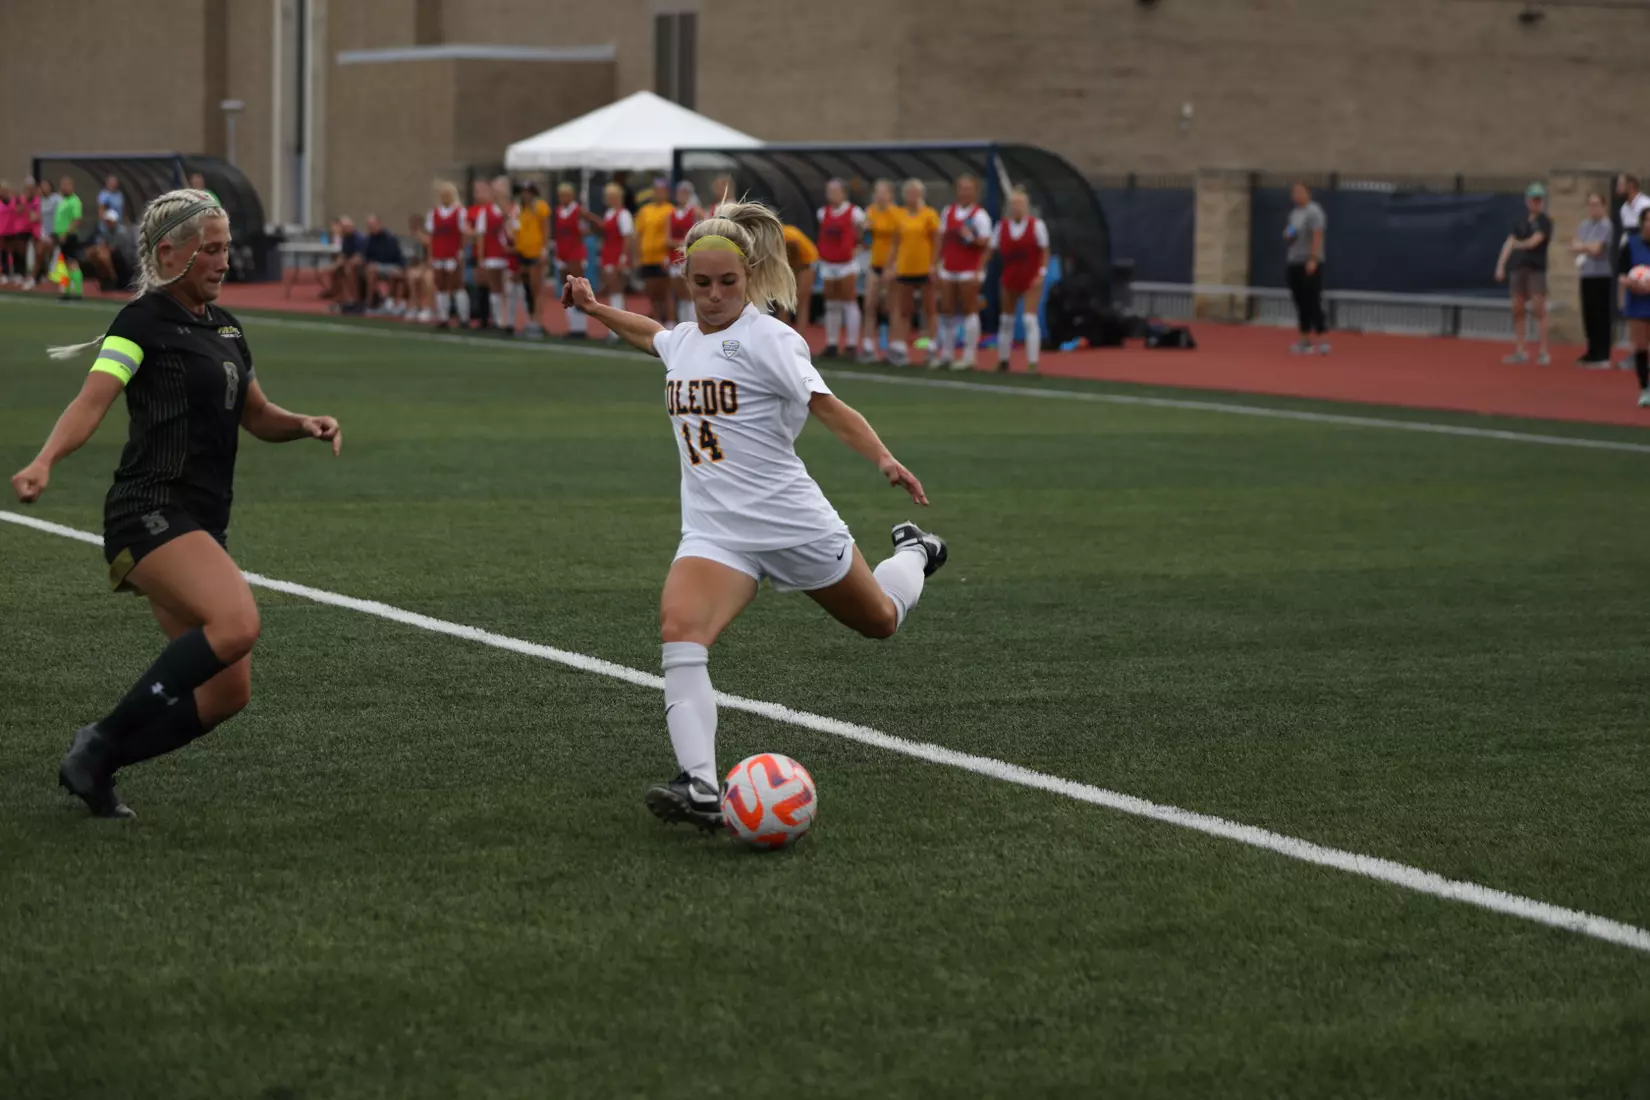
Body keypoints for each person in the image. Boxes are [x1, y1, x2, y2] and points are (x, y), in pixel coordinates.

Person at [557, 199, 948, 830]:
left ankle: (915, 552)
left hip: (792, 523)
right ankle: (701, 786)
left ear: (750, 277)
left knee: (880, 620)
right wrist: (595, 307)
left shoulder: (770, 339)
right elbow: (650, 334)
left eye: (727, 282)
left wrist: (883, 458)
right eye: (701, 283)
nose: (714, 295)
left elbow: (827, 405)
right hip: (716, 534)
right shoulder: (684, 342)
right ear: (686, 280)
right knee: (680, 629)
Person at [8, 188, 342, 819]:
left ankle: (99, 764)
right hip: (148, 510)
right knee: (238, 623)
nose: (224, 261)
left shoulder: (228, 327)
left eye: (226, 248)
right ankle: (99, 740)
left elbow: (256, 414)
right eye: (210, 250)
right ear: (169, 253)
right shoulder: (140, 322)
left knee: (227, 693)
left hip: (202, 525)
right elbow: (91, 401)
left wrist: (303, 424)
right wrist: (44, 460)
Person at [934, 174, 993, 371]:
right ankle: (947, 354)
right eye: (962, 188)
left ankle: (969, 356)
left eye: (969, 189)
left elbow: (986, 244)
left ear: (975, 192)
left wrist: (971, 239)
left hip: (969, 268)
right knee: (946, 309)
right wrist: (935, 263)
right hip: (949, 267)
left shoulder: (979, 215)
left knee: (969, 309)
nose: (965, 192)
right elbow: (941, 239)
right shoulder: (948, 212)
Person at [885, 179, 942, 367]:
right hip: (904, 267)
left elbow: (936, 241)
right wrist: (889, 265)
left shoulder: (929, 215)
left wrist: (933, 264)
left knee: (930, 308)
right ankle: (901, 348)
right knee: (904, 309)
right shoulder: (899, 215)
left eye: (915, 193)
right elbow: (895, 243)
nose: (912, 196)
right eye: (909, 193)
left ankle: (932, 347)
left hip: (924, 267)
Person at [1496, 182, 1554, 366]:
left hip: (1536, 270)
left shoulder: (1545, 222)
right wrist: (1500, 265)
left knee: (1539, 309)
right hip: (1517, 268)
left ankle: (1543, 351)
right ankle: (1520, 350)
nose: (1537, 203)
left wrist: (1517, 245)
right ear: (1527, 201)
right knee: (1517, 309)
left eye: (1539, 200)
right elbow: (1509, 242)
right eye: (1533, 199)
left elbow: (1534, 241)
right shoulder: (1519, 221)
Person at [995, 186, 1051, 374]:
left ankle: (1033, 362)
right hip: (1010, 278)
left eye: (1020, 204)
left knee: (1029, 319)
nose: (1016, 207)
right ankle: (1003, 360)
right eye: (1013, 204)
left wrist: (1041, 273)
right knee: (1005, 320)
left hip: (1030, 279)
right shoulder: (1001, 227)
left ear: (1027, 206)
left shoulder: (1037, 225)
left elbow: (1045, 251)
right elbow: (990, 249)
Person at [816, 178, 867, 359]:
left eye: (836, 191)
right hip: (828, 262)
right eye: (830, 191)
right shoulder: (822, 212)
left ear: (844, 193)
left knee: (849, 300)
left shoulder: (855, 213)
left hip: (847, 263)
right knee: (831, 303)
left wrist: (857, 248)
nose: (832, 195)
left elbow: (863, 233)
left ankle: (852, 344)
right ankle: (832, 343)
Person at [859, 179, 902, 362]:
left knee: (892, 306)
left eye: (883, 192)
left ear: (890, 195)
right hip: (874, 263)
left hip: (891, 266)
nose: (880, 195)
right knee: (869, 304)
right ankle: (868, 345)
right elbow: (865, 239)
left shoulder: (897, 214)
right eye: (877, 192)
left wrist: (891, 267)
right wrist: (864, 230)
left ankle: (895, 346)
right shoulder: (871, 211)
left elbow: (899, 242)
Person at [1571, 192, 1615, 368]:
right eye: (1590, 204)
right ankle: (1592, 350)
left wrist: (1583, 246)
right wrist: (1585, 246)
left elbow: (1597, 249)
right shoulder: (1584, 225)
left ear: (1603, 206)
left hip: (1602, 275)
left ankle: (1603, 354)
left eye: (1596, 204)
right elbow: (1575, 245)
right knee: (1588, 314)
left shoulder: (1607, 225)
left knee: (1600, 314)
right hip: (1586, 273)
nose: (1593, 208)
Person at [1284, 182, 1329, 355]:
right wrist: (1288, 236)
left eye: (1300, 191)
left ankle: (1323, 339)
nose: (1297, 194)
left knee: (1313, 300)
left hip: (1309, 262)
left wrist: (1313, 259)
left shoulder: (1314, 211)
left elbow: (1318, 235)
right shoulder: (1294, 214)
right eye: (1294, 192)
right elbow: (1290, 235)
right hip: (1294, 261)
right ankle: (1304, 340)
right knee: (1300, 301)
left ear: (1308, 193)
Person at [586, 182, 634, 342]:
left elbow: (627, 238)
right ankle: (617, 329)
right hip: (608, 255)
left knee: (616, 290)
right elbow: (604, 229)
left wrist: (623, 258)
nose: (608, 199)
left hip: (616, 256)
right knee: (613, 291)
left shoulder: (624, 214)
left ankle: (620, 330)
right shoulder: (609, 213)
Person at [426, 180, 470, 329]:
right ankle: (443, 317)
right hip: (438, 254)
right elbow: (432, 236)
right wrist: (430, 255)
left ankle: (463, 318)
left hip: (453, 253)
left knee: (456, 285)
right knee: (441, 285)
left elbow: (464, 234)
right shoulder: (434, 213)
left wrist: (461, 251)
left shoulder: (460, 212)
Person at [1618, 207, 1650, 407]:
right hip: (1637, 301)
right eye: (1647, 220)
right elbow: (1621, 275)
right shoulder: (1630, 244)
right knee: (1640, 346)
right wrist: (1632, 283)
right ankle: (1645, 388)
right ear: (1641, 223)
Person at [471, 178, 512, 329]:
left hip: (509, 256)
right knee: (495, 288)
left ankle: (509, 320)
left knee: (510, 288)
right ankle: (498, 319)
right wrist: (481, 259)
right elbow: (481, 236)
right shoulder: (486, 211)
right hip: (492, 255)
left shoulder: (512, 209)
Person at [633, 178, 676, 324]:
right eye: (656, 190)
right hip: (647, 257)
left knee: (665, 291)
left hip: (662, 256)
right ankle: (657, 320)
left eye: (661, 191)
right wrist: (637, 256)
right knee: (651, 292)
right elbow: (638, 234)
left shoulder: (670, 209)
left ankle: (670, 321)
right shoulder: (644, 210)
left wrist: (668, 255)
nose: (658, 193)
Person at [550, 181, 590, 338]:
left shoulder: (578, 210)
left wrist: (584, 232)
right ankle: (573, 326)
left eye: (566, 195)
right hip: (562, 254)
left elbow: (593, 224)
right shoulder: (558, 211)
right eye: (561, 195)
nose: (563, 198)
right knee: (567, 291)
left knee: (578, 289)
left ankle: (581, 327)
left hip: (575, 254)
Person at [512, 181, 551, 338]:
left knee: (536, 288)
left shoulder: (540, 206)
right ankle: (530, 321)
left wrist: (544, 249)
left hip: (535, 251)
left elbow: (545, 228)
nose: (525, 195)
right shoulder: (519, 209)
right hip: (522, 252)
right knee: (526, 288)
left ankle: (538, 322)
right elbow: (514, 226)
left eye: (528, 192)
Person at [667, 180, 702, 325]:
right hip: (674, 256)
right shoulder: (671, 214)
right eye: (680, 192)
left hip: (688, 256)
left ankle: (693, 323)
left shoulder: (695, 211)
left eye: (684, 193)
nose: (681, 195)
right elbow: (667, 239)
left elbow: (701, 231)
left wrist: (688, 243)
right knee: (679, 293)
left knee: (689, 292)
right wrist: (682, 243)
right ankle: (683, 324)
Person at [360, 214, 406, 315]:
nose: (371, 227)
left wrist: (377, 264)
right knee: (370, 271)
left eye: (373, 225)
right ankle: (371, 303)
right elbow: (366, 256)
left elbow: (393, 256)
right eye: (369, 225)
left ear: (379, 223)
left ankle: (390, 302)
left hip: (393, 265)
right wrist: (370, 263)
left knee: (389, 272)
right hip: (377, 267)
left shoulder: (390, 238)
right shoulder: (369, 240)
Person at [52, 175, 86, 301]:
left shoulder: (74, 201)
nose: (63, 187)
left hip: (69, 236)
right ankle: (66, 290)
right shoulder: (62, 201)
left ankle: (77, 292)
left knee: (72, 263)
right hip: (61, 236)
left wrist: (65, 233)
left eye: (66, 185)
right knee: (65, 265)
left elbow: (76, 220)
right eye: (62, 185)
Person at [780, 223, 818, 331]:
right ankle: (782, 333)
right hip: (788, 261)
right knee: (784, 301)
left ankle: (800, 335)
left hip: (807, 262)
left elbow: (793, 249)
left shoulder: (786, 236)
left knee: (802, 301)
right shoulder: (777, 235)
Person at [329, 216, 367, 312]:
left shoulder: (359, 238)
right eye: (344, 227)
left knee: (350, 268)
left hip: (361, 264)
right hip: (350, 263)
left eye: (347, 227)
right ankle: (341, 297)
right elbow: (344, 254)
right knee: (337, 270)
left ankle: (353, 298)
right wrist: (335, 265)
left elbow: (360, 255)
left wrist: (347, 263)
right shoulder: (346, 238)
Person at [403, 213, 436, 323]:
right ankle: (414, 306)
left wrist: (420, 236)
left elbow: (431, 255)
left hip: (433, 266)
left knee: (427, 278)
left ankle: (428, 308)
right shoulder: (412, 239)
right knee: (411, 275)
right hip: (422, 266)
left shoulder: (429, 237)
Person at [35, 178, 59, 287]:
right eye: (41, 186)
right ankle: (41, 275)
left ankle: (47, 275)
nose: (43, 188)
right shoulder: (39, 200)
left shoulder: (56, 199)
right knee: (40, 252)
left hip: (54, 232)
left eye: (45, 185)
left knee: (49, 252)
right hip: (43, 232)